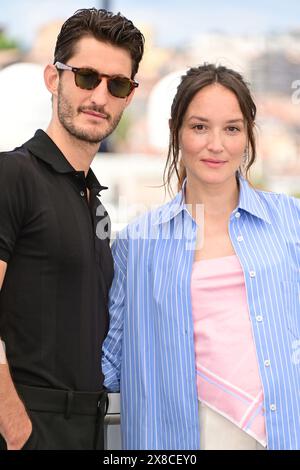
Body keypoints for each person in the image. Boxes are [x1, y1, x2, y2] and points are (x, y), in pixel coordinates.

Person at [103, 64, 300, 450]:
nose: (216, 144)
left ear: (247, 136)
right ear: (176, 132)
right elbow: (110, 362)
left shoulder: (292, 221)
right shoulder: (137, 244)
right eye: (199, 127)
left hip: (281, 434)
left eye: (231, 128)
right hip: (176, 442)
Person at [0, 8, 144, 450]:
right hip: (30, 428)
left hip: (90, 429)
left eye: (116, 84)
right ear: (53, 78)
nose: (100, 96)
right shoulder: (12, 175)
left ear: (128, 97)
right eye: (86, 77)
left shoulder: (94, 203)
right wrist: (17, 429)